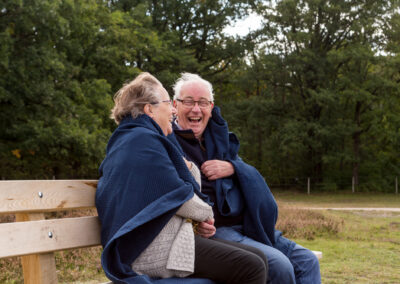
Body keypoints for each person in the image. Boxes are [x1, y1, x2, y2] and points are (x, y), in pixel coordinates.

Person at [95, 72, 268, 284]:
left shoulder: (139, 139)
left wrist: (182, 160)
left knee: (258, 260)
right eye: (169, 103)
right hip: (148, 251)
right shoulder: (142, 142)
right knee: (252, 267)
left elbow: (187, 182)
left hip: (159, 241)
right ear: (150, 109)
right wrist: (205, 213)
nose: (174, 110)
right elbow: (184, 198)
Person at [170, 72, 321, 284]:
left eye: (203, 103)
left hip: (249, 226)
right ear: (175, 105)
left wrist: (233, 167)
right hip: (216, 232)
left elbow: (248, 172)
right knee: (279, 265)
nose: (196, 109)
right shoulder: (167, 141)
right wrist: (194, 222)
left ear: (211, 108)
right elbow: (167, 193)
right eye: (189, 102)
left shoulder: (219, 140)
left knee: (307, 261)